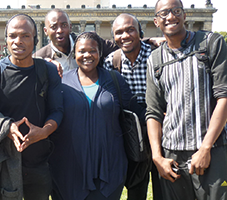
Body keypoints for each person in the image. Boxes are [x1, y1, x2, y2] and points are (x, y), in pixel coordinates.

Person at [146, 0, 227, 199]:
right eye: (164, 13)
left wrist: (205, 148)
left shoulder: (210, 43)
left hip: (211, 149)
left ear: (185, 15)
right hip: (172, 155)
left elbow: (224, 97)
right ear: (156, 21)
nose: (171, 16)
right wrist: (157, 157)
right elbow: (153, 112)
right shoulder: (155, 60)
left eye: (176, 11)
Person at [49, 31, 145, 200]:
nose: (87, 55)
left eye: (92, 50)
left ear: (100, 53)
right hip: (70, 168)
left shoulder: (115, 80)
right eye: (81, 51)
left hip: (109, 168)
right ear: (74, 54)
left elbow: (135, 112)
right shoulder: (63, 83)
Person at [0, 13, 63, 200]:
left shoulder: (48, 70)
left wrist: (44, 131)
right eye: (12, 36)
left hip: (38, 163)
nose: (18, 41)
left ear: (35, 40)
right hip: (2, 162)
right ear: (6, 40)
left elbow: (57, 110)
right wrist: (6, 128)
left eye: (25, 36)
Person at [103, 13, 162, 200]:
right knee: (136, 189)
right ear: (113, 37)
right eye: (119, 32)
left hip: (163, 131)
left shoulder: (158, 55)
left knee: (165, 188)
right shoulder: (111, 62)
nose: (125, 36)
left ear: (140, 32)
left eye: (130, 30)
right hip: (133, 135)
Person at [34, 9, 118, 72]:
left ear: (70, 27)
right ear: (45, 31)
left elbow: (121, 49)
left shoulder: (91, 43)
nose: (59, 30)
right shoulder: (39, 58)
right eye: (54, 27)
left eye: (64, 25)